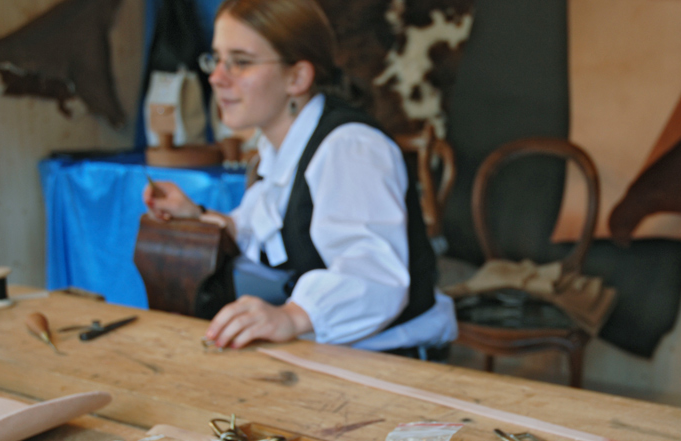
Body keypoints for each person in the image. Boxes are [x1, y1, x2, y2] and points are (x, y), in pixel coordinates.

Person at [143, 0, 456, 356]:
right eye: (216, 58)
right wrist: (197, 215)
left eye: (241, 62)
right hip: (332, 354)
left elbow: (376, 280)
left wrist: (291, 316)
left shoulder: (350, 148)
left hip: (394, 362)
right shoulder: (279, 147)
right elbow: (259, 230)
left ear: (297, 77)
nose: (217, 76)